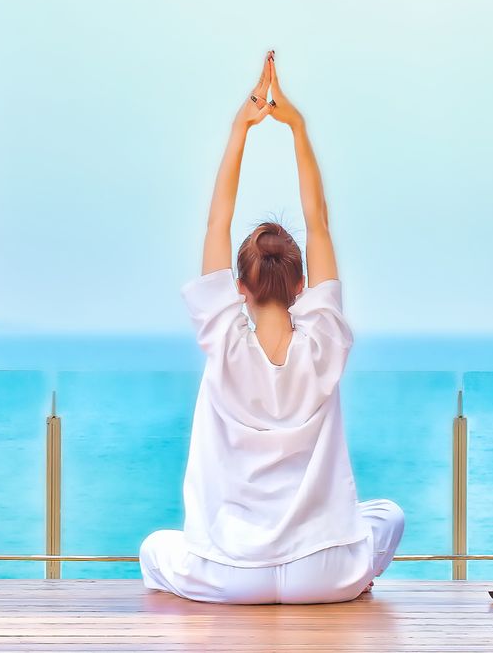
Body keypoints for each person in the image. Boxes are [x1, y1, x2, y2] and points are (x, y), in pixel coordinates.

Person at [139, 51, 404, 605]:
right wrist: (297, 128)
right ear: (303, 285)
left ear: (239, 286)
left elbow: (218, 218)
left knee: (154, 548)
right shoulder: (324, 342)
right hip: (322, 572)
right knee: (387, 516)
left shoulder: (222, 339)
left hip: (231, 573)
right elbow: (319, 221)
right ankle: (352, 581)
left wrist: (242, 127)